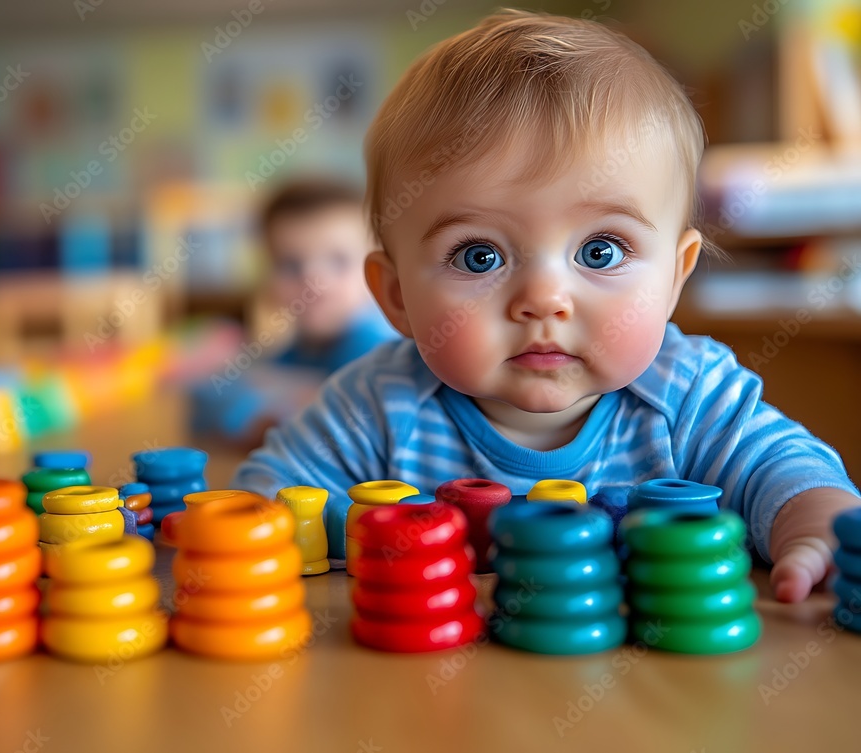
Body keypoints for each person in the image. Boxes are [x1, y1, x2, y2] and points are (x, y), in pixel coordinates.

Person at [232, 10, 860, 602]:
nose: (543, 299)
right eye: (479, 256)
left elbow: (789, 470)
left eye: (601, 250)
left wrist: (816, 530)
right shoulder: (376, 406)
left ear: (674, 276)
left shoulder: (690, 396)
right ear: (396, 297)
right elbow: (266, 499)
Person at [191, 177, 397, 447]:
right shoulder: (296, 351)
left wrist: (270, 411)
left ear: (376, 272)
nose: (313, 280)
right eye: (290, 265)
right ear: (266, 278)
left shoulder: (378, 350)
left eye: (339, 261)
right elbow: (205, 398)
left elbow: (343, 423)